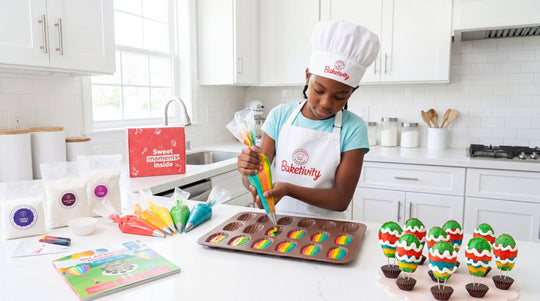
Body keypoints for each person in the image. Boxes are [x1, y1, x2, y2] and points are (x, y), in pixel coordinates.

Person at [237, 20, 380, 218]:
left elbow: (341, 199)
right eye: (319, 90)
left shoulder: (353, 128)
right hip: (277, 222)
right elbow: (253, 180)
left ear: (352, 91)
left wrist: (288, 189)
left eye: (340, 96)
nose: (326, 103)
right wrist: (247, 172)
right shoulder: (280, 116)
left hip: (327, 228)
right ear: (307, 77)